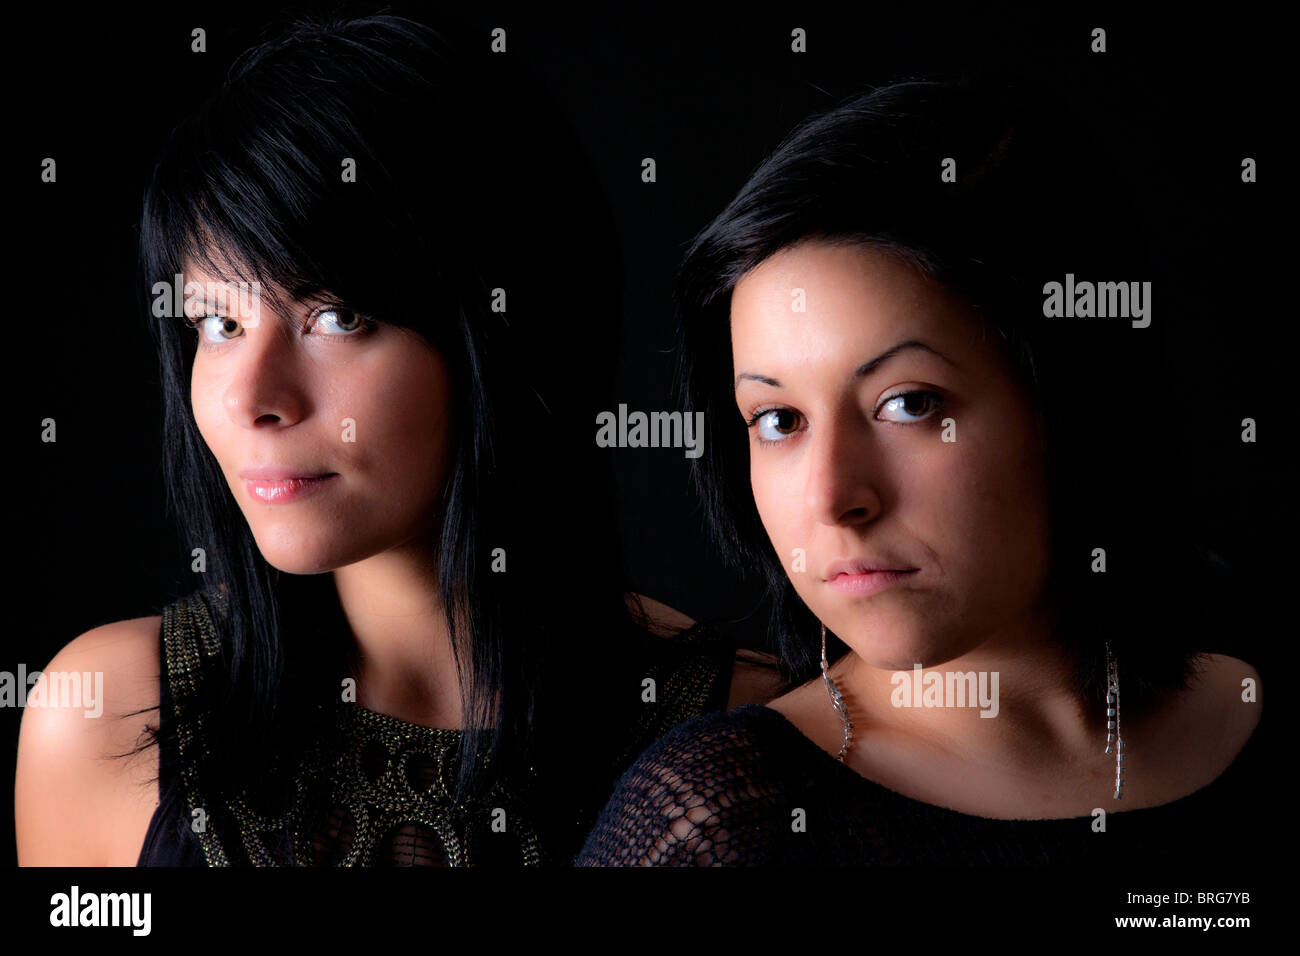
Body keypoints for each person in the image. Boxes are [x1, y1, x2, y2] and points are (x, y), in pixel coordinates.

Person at [14, 13, 782, 867]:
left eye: (335, 317)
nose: (252, 398)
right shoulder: (106, 716)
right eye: (218, 322)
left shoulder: (753, 740)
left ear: (500, 334)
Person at [576, 73, 1265, 866]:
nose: (833, 498)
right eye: (778, 421)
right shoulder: (724, 825)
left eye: (907, 404)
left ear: (1076, 402)